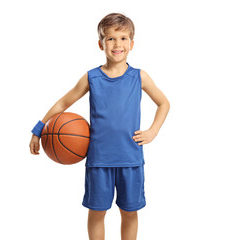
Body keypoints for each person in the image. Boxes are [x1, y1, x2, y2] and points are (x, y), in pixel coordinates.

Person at [29, 12, 170, 240]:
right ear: (100, 44)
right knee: (96, 213)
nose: (117, 44)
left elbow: (164, 103)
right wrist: (38, 129)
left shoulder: (139, 77)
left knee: (130, 212)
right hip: (99, 160)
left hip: (130, 159)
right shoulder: (91, 78)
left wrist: (153, 131)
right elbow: (64, 102)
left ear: (132, 44)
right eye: (111, 38)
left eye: (123, 38)